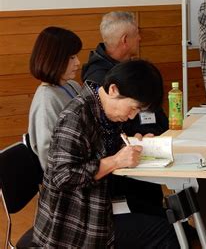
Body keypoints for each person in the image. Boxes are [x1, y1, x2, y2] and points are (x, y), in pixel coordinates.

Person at [32, 60, 178, 248]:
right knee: (165, 232)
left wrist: (133, 142)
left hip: (103, 199)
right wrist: (116, 160)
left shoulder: (103, 109)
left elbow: (99, 149)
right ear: (113, 90)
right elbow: (63, 177)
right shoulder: (76, 117)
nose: (133, 116)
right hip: (77, 220)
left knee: (163, 214)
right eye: (133, 108)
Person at [82, 10, 168, 135]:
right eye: (137, 33)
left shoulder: (130, 66)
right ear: (125, 40)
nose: (140, 38)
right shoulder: (97, 76)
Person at [28, 26, 82, 170]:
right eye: (72, 57)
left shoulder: (72, 85)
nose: (78, 62)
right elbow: (50, 160)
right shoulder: (46, 101)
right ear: (54, 60)